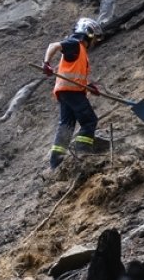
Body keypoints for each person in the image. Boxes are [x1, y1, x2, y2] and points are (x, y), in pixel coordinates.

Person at [42, 17, 104, 169]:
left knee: (66, 125)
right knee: (89, 121)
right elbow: (53, 45)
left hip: (65, 92)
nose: (95, 42)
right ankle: (82, 155)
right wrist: (46, 63)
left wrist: (89, 86)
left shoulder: (79, 50)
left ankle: (56, 163)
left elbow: (74, 75)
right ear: (88, 33)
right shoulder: (75, 44)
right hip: (72, 92)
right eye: (94, 38)